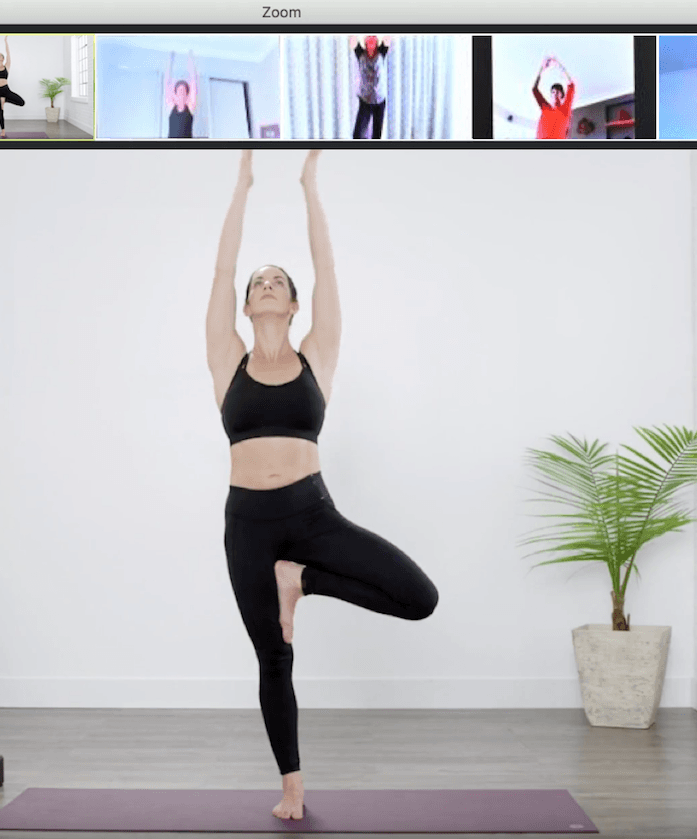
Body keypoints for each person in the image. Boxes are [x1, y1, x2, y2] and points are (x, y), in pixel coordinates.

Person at [207, 149, 440, 820]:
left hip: (312, 515)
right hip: (248, 524)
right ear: (248, 305)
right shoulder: (227, 358)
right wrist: (242, 186)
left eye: (279, 279)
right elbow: (222, 266)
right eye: (260, 281)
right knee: (272, 657)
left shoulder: (319, 354)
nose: (268, 283)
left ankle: (300, 581)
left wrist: (310, 187)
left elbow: (327, 266)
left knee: (418, 596)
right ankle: (292, 788)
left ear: (295, 302)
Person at [350, 35, 390, 139]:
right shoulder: (361, 54)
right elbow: (352, 40)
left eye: (373, 42)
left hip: (380, 101)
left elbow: (387, 39)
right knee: (357, 135)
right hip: (365, 101)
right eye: (368, 42)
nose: (371, 44)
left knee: (377, 135)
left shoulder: (381, 53)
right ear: (365, 44)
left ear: (377, 44)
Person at [0, 36, 26, 139]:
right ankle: (3, 130)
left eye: (1, 55)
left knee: (22, 102)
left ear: (3, 58)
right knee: (0, 111)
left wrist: (6, 42)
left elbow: (9, 54)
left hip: (5, 90)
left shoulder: (7, 66)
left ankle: (5, 100)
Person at [532, 55, 574, 140]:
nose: (555, 94)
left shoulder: (565, 108)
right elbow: (534, 90)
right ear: (550, 95)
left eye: (558, 92)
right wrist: (542, 69)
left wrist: (559, 66)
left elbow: (571, 86)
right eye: (553, 92)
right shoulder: (545, 107)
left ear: (562, 96)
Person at [165, 51, 198, 138]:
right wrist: (170, 60)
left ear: (187, 96)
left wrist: (190, 59)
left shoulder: (190, 108)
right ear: (175, 95)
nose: (181, 95)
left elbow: (194, 82)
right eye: (179, 92)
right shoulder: (171, 108)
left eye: (183, 92)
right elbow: (167, 83)